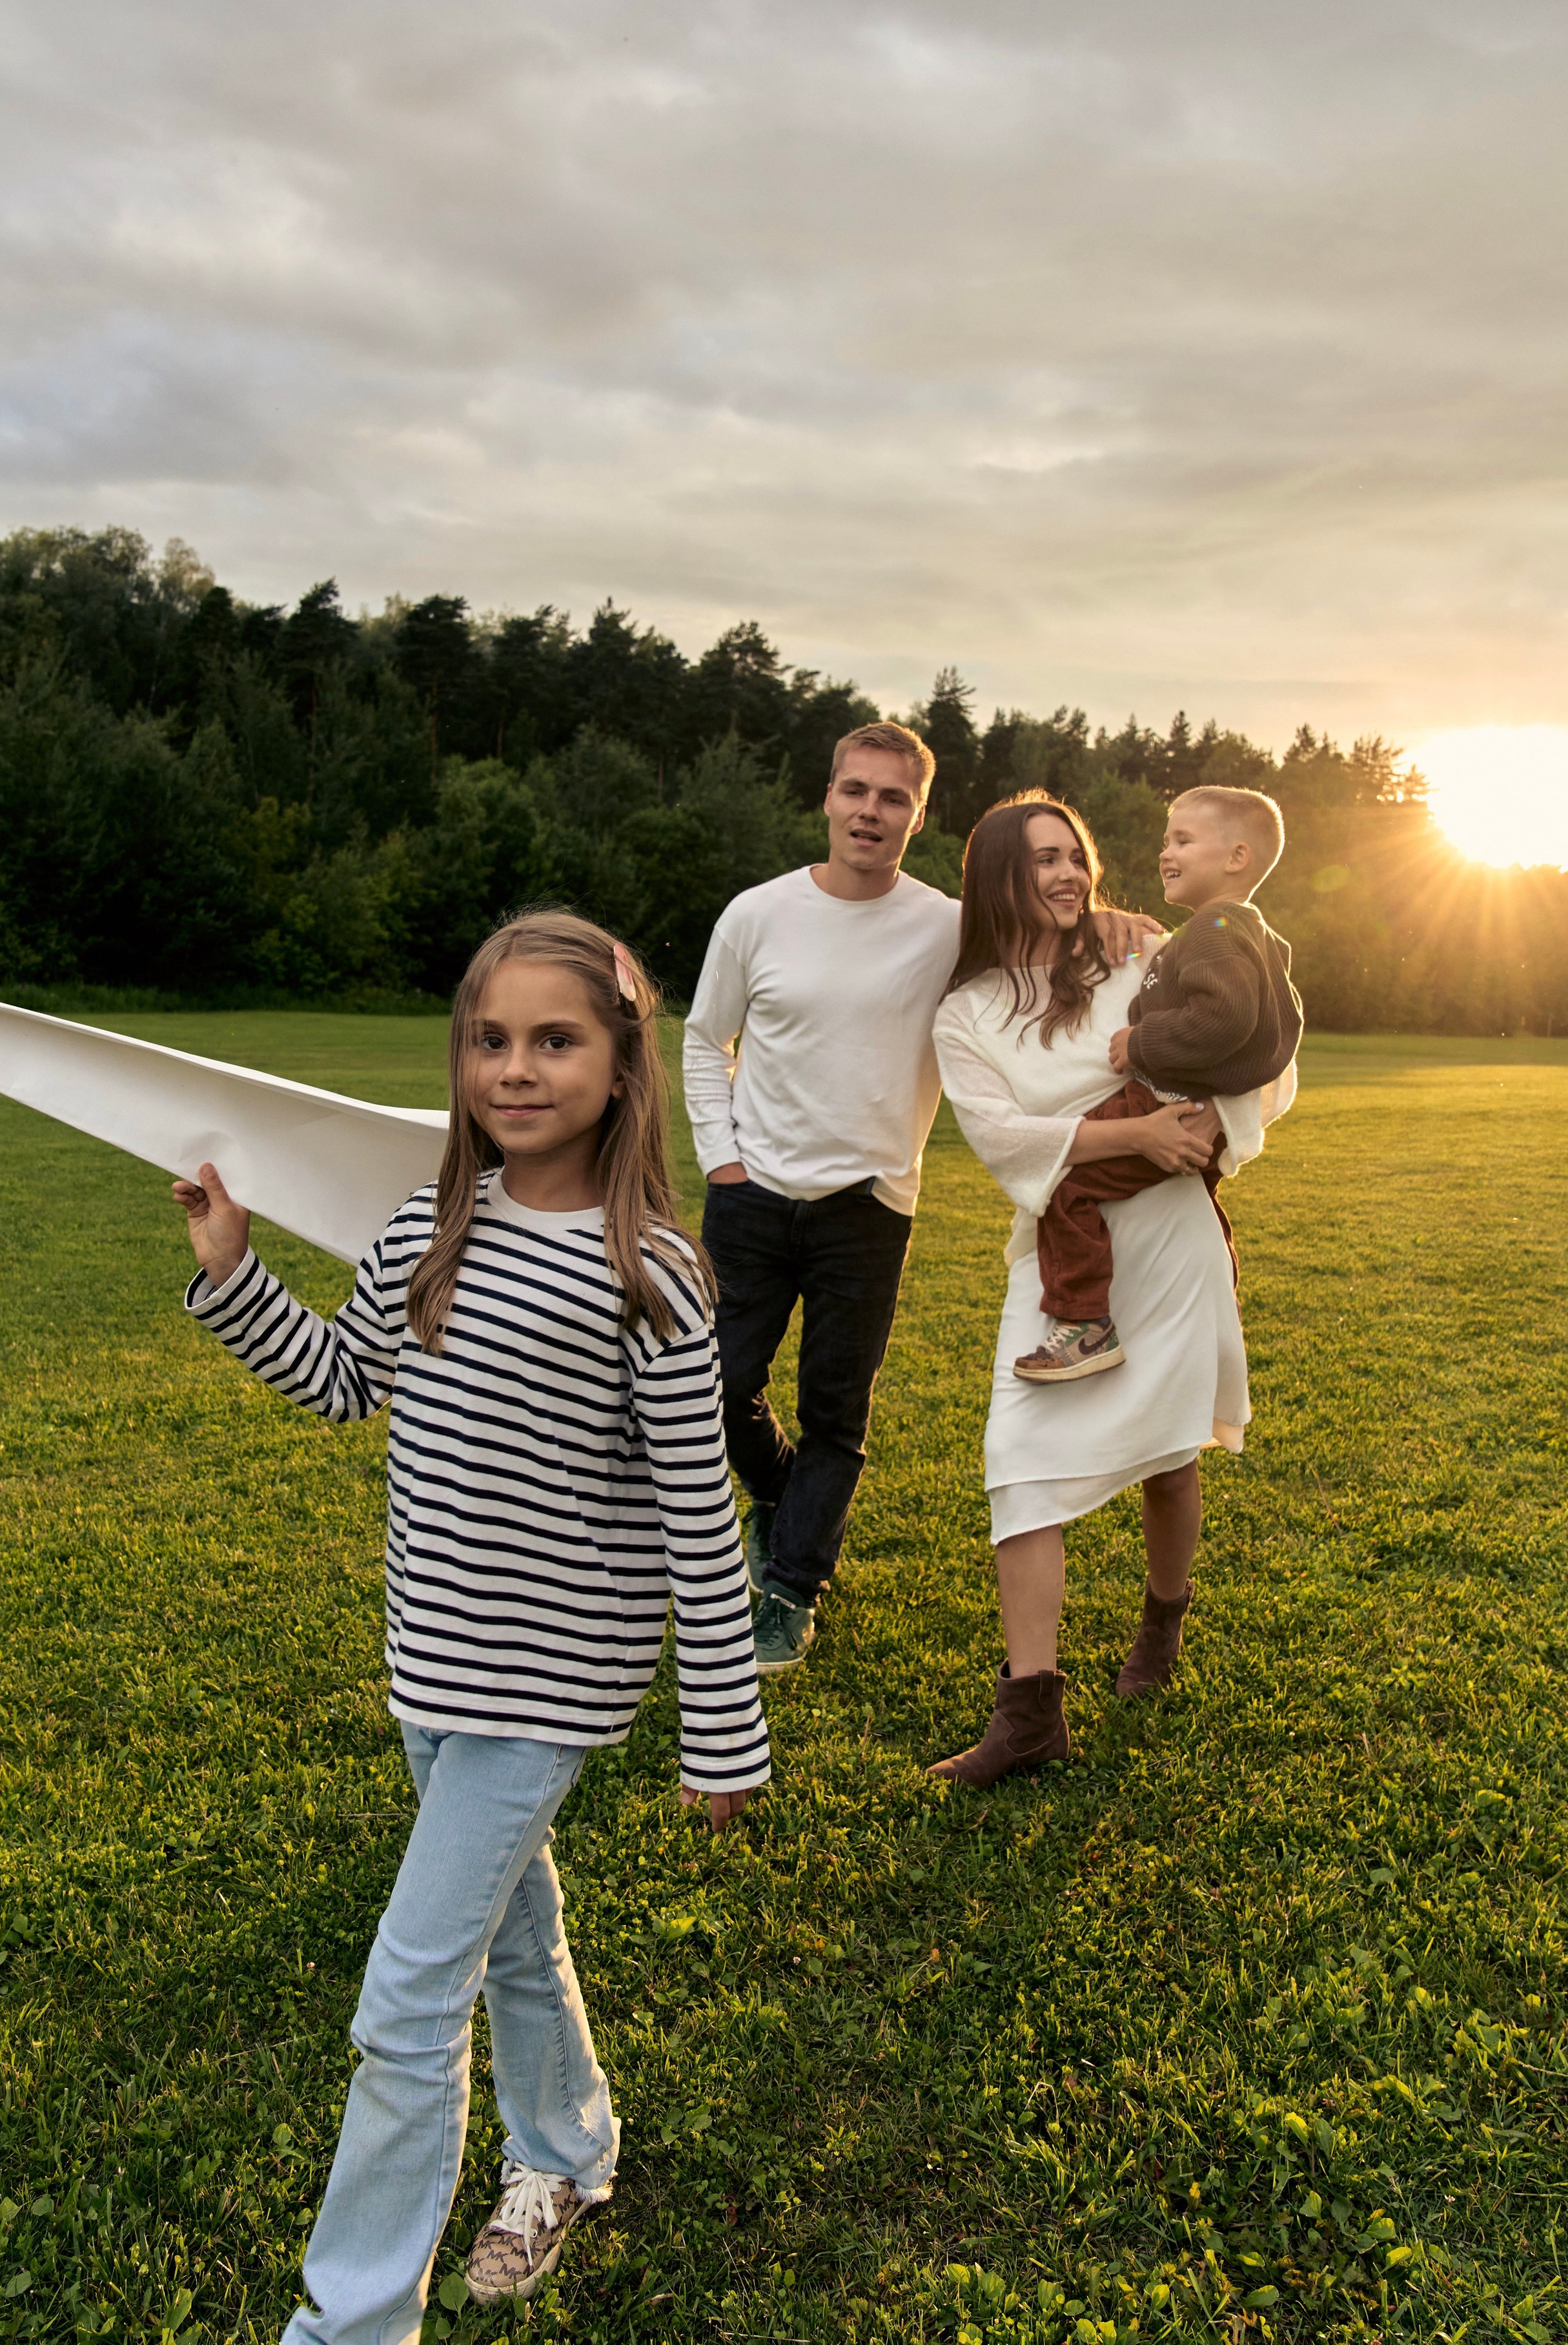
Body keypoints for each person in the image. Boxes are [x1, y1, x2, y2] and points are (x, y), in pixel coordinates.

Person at [172, 913, 769, 2341]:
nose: (515, 1069)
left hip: (546, 1687)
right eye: (489, 1040)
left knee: (407, 2000)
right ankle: (568, 2153)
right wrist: (231, 1271)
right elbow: (339, 1383)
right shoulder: (428, 1230)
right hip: (427, 1663)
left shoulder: (652, 1277)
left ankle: (352, 2321)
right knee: (512, 1937)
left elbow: (700, 1514)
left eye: (554, 1040)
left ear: (623, 1066)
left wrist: (725, 1728)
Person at [682, 722, 1160, 1675]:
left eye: (892, 798)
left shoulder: (947, 926)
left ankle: (790, 1589)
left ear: (917, 813)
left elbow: (1042, 934)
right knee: (713, 1387)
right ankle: (778, 1491)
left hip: (871, 1203)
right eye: (855, 791)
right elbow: (705, 1040)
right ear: (827, 797)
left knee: (837, 1412)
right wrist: (721, 1159)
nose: (870, 811)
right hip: (751, 1197)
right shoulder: (756, 915)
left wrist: (1100, 919)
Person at [928, 794, 1294, 1785]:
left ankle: (1160, 1633)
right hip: (1062, 1247)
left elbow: (1261, 1048)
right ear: (997, 873)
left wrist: (1216, 1131)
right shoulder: (964, 1014)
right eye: (1043, 859)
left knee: (1173, 1456)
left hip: (1171, 1236)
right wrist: (1134, 1135)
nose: (1068, 876)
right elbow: (1006, 1141)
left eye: (1076, 857)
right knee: (1018, 1461)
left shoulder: (1142, 954)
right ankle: (1031, 1713)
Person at [1016, 784, 1303, 1383]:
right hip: (1198, 1107)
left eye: (1183, 840)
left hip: (1163, 1100)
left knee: (1063, 1182)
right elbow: (1282, 1023)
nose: (1165, 852)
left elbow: (1224, 1019)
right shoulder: (1253, 932)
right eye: (1166, 840)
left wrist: (1140, 1042)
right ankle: (1218, 1295)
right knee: (1201, 1200)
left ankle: (1085, 1324)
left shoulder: (1213, 928)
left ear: (1237, 858)